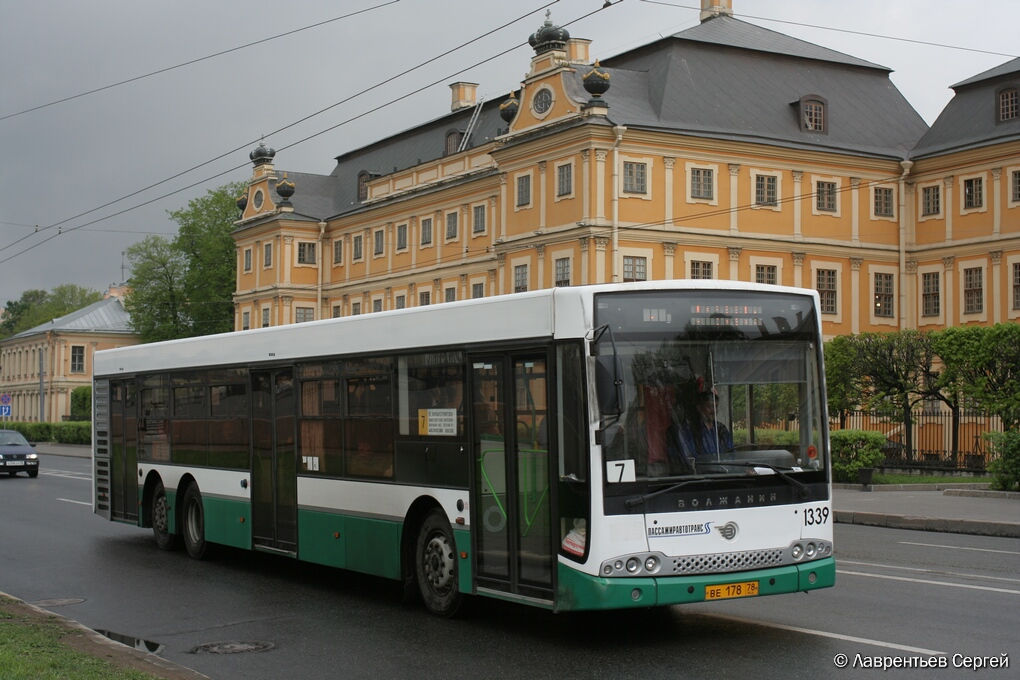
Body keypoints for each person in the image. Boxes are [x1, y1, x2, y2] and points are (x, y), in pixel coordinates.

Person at [666, 390, 733, 471]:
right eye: (710, 406)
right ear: (699, 408)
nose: (714, 411)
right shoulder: (689, 431)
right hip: (700, 478)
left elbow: (731, 454)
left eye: (716, 407)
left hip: (723, 476)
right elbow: (690, 459)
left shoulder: (721, 429)